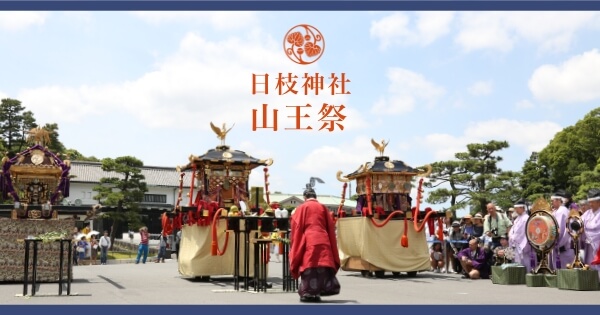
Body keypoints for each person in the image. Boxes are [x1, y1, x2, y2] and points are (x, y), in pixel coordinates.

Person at [290, 187, 340, 303]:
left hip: (309, 239)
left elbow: (296, 225)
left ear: (305, 197)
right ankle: (318, 292)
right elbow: (330, 226)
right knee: (322, 266)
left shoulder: (302, 208)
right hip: (323, 238)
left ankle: (308, 293)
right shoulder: (323, 207)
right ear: (315, 197)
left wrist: (296, 243)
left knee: (309, 266)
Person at [549, 190, 574, 270]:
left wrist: (555, 243)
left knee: (564, 275)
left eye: (552, 201)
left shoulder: (562, 211)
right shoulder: (557, 211)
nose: (551, 203)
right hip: (558, 247)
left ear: (558, 200)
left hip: (563, 247)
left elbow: (560, 230)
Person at [509, 198, 534, 272]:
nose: (516, 210)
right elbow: (512, 230)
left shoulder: (526, 218)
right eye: (515, 208)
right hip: (516, 245)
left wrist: (513, 237)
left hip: (523, 246)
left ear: (522, 208)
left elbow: (521, 233)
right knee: (518, 264)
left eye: (517, 208)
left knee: (526, 264)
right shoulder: (517, 219)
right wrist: (511, 236)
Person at [581, 188, 600, 278]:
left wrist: (585, 231)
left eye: (592, 202)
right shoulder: (588, 213)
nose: (590, 204)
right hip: (588, 246)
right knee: (589, 266)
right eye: (590, 202)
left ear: (598, 202)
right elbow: (580, 222)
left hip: (597, 246)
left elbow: (597, 231)